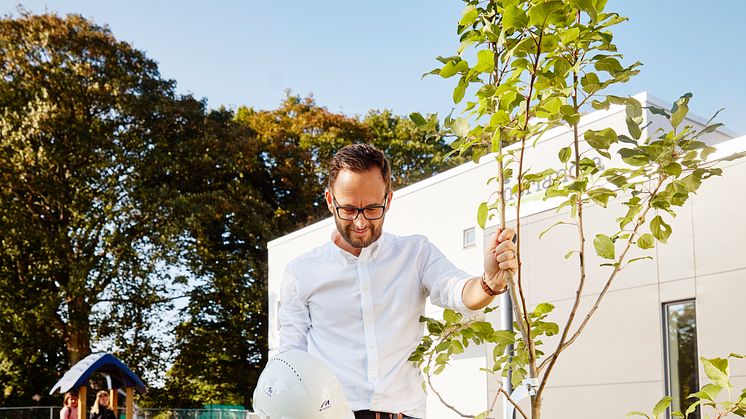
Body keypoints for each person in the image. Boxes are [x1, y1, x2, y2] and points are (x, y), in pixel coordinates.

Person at [279, 143, 518, 419]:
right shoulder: (301, 273)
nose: (359, 222)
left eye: (371, 209)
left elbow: (457, 291)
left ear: (388, 201)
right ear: (330, 201)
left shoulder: (416, 254)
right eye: (348, 209)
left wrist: (490, 282)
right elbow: (290, 363)